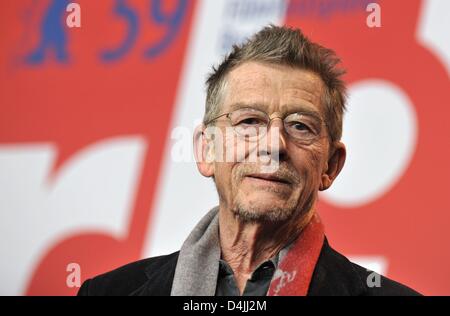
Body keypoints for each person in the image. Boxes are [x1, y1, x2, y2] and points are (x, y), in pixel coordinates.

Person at [78, 25, 420, 296]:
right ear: (207, 150)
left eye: (301, 126)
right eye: (249, 121)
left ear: (330, 166)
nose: (273, 145)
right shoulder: (109, 292)